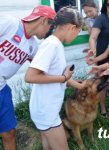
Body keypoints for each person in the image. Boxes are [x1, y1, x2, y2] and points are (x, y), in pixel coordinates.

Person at [25, 7, 84, 150]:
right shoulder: (51, 44)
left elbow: (58, 76)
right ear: (72, 27)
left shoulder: (55, 44)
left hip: (45, 108)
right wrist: (63, 78)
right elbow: (30, 76)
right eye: (78, 32)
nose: (77, 35)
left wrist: (81, 86)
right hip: (47, 111)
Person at [0, 5, 56, 150]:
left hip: (2, 90)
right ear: (44, 20)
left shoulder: (32, 46)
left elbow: (42, 70)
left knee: (9, 133)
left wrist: (66, 78)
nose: (49, 32)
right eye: (50, 27)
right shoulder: (10, 23)